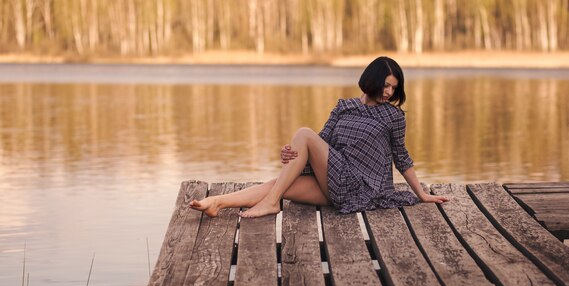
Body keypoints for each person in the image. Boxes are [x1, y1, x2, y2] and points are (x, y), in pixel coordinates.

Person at [189, 56, 449, 218]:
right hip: (336, 182)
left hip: (363, 188)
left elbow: (402, 158)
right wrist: (291, 155)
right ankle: (217, 203)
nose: (389, 91)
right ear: (371, 80)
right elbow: (323, 142)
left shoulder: (393, 117)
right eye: (386, 84)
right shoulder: (343, 107)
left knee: (303, 135)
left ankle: (271, 203)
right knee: (280, 182)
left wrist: (422, 194)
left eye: (394, 87)